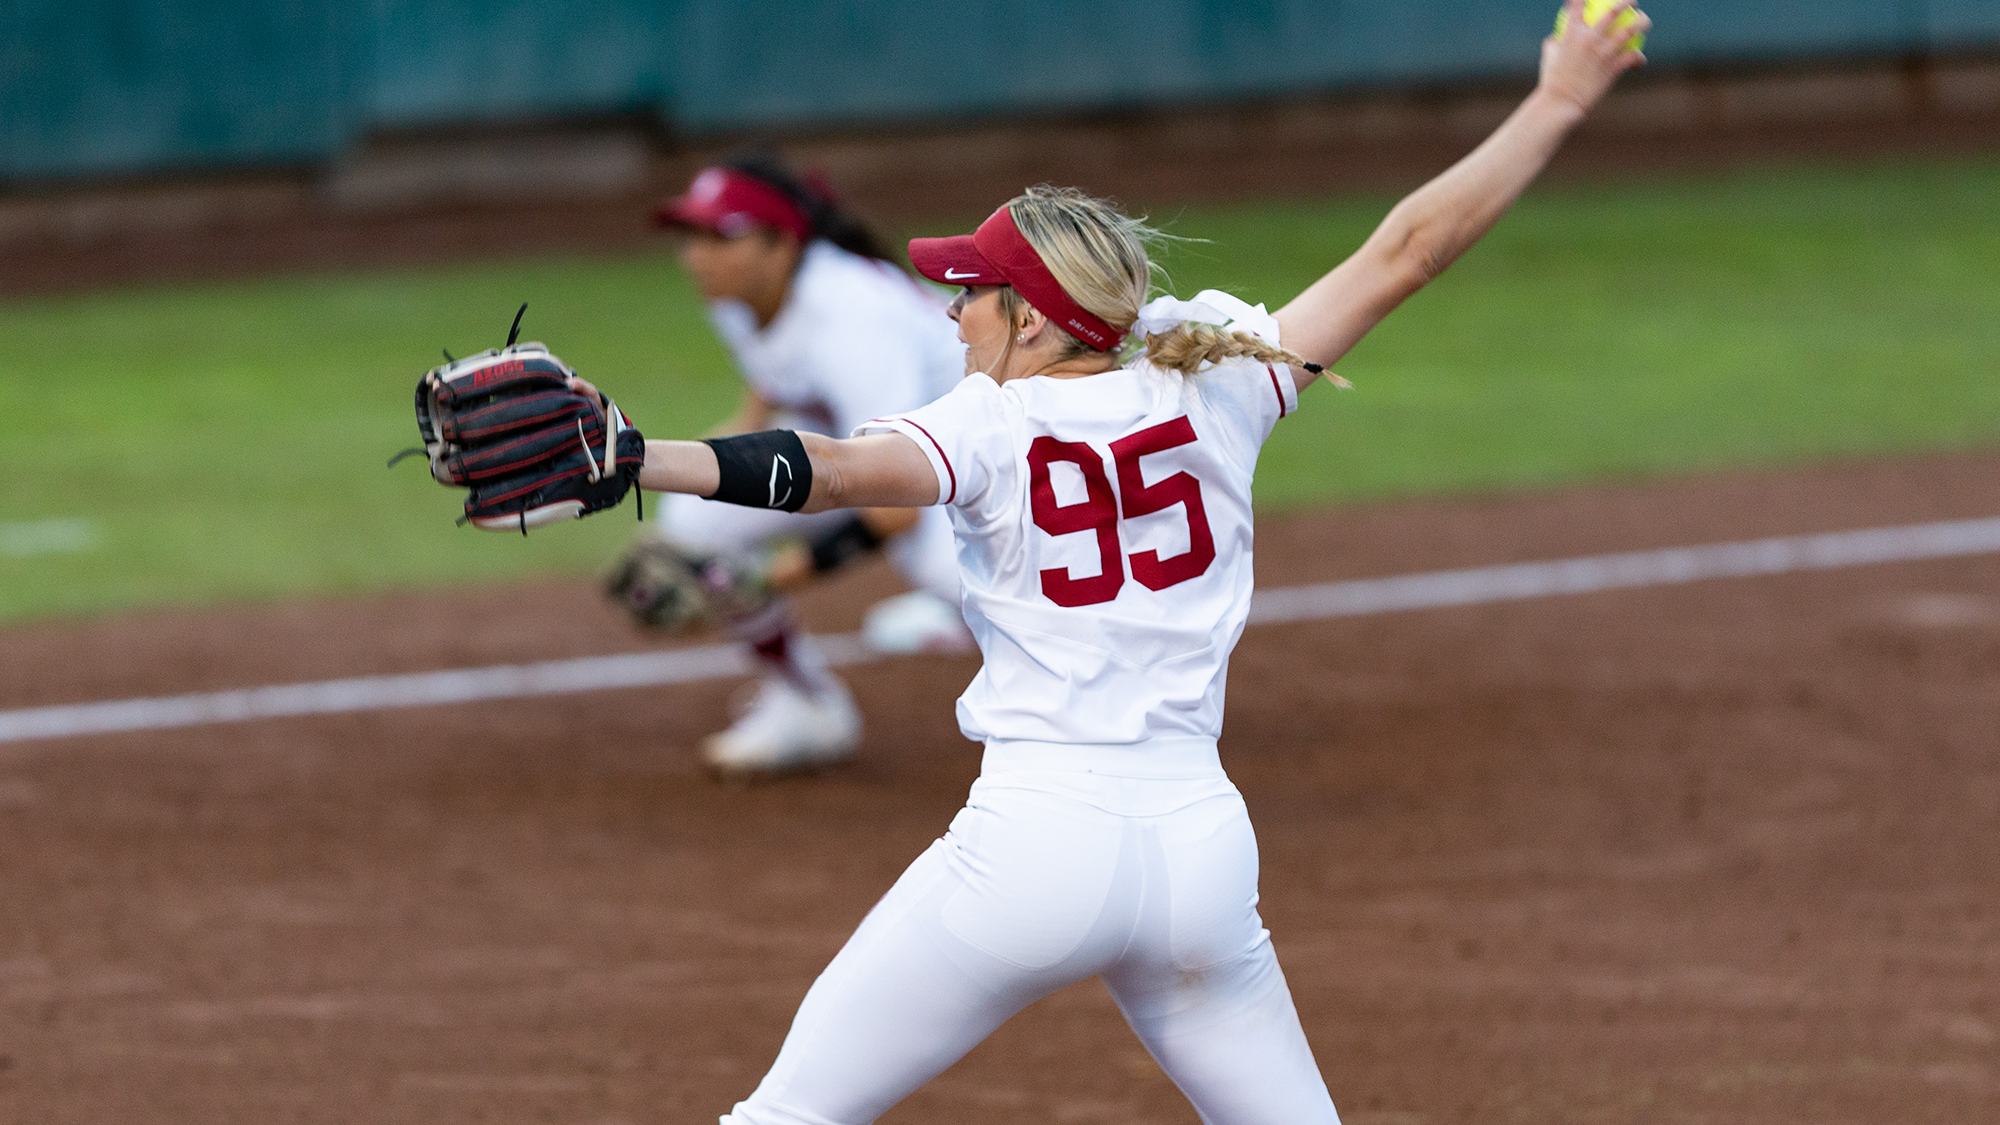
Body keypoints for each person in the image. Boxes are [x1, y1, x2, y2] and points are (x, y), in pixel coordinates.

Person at [580, 4, 1647, 1119]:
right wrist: (1557, 100)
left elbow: (834, 472)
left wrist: (639, 456)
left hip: (1033, 853)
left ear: (1034, 324)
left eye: (971, 293)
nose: (953, 313)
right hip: (1200, 860)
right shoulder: (1221, 379)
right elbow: (1408, 251)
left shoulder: (990, 423)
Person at [640, 156, 972, 776]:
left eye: (721, 236)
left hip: (971, 465)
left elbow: (897, 505)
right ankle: (806, 705)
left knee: (948, 575)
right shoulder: (739, 299)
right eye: (692, 235)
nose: (697, 256)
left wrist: (765, 581)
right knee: (693, 518)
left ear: (783, 244)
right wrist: (649, 475)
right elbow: (763, 399)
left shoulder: (850, 318)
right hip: (874, 451)